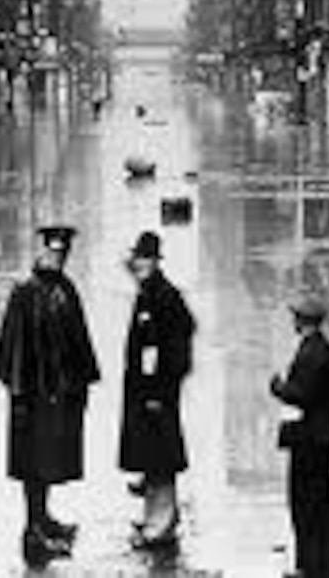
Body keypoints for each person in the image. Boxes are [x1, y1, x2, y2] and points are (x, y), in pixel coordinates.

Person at [0, 225, 101, 564]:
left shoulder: (66, 289)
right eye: (51, 251)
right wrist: (19, 396)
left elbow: (79, 340)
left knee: (50, 459)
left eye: (62, 253)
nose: (57, 258)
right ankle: (33, 529)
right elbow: (13, 348)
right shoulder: (25, 292)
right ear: (39, 252)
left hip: (59, 393)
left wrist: (82, 384)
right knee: (33, 464)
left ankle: (44, 518)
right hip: (33, 395)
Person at [118, 231, 196, 549]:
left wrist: (157, 391)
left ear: (153, 262)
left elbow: (165, 347)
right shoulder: (152, 291)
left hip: (156, 392)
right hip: (148, 391)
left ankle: (161, 522)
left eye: (143, 259)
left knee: (161, 458)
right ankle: (155, 515)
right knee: (151, 456)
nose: (137, 265)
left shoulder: (162, 296)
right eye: (136, 260)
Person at [269, 300, 329, 578]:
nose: (293, 322)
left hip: (307, 439)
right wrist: (327, 412)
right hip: (323, 435)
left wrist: (279, 388)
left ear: (302, 322)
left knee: (304, 502)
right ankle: (324, 557)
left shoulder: (309, 354)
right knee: (320, 500)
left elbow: (301, 395)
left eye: (295, 318)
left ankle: (310, 565)